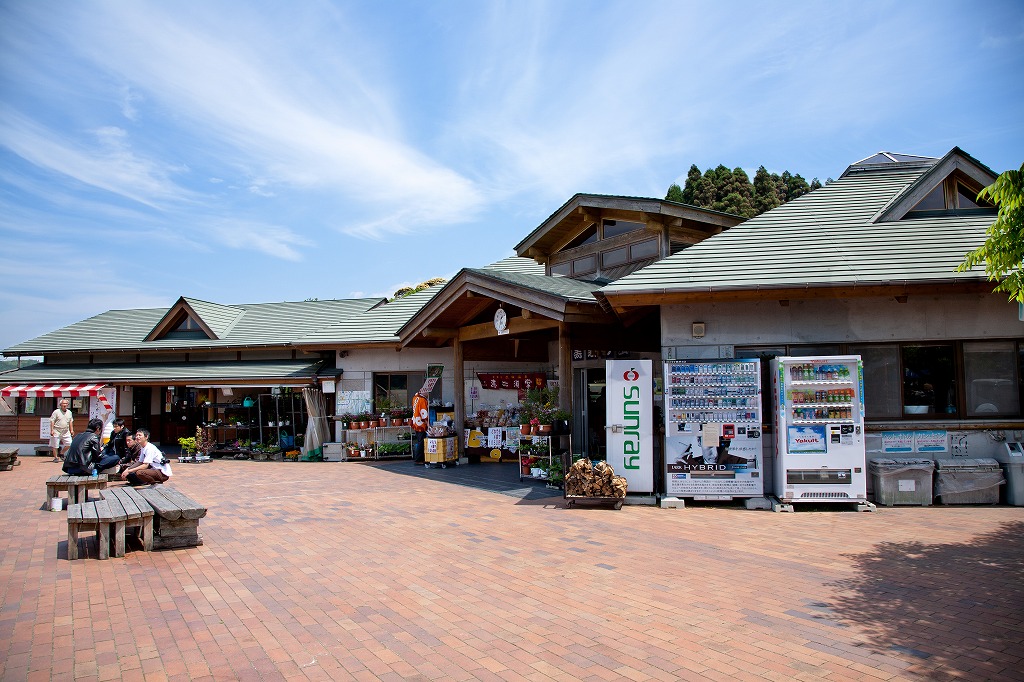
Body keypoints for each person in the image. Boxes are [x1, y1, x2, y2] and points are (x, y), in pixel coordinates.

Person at [49, 398, 75, 462]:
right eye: (63, 403)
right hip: (56, 430)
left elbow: (70, 422)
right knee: (55, 445)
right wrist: (52, 430)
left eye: (66, 403)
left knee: (69, 443)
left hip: (66, 431)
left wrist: (71, 430)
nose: (65, 405)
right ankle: (55, 457)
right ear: (60, 404)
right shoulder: (56, 412)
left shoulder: (69, 412)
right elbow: (52, 421)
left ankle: (61, 453)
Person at [411, 389, 429, 463]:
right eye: (427, 392)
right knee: (421, 441)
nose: (428, 394)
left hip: (415, 421)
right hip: (420, 423)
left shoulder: (415, 398)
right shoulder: (422, 400)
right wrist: (427, 422)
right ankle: (419, 459)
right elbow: (423, 412)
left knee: (419, 440)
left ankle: (419, 458)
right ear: (423, 392)